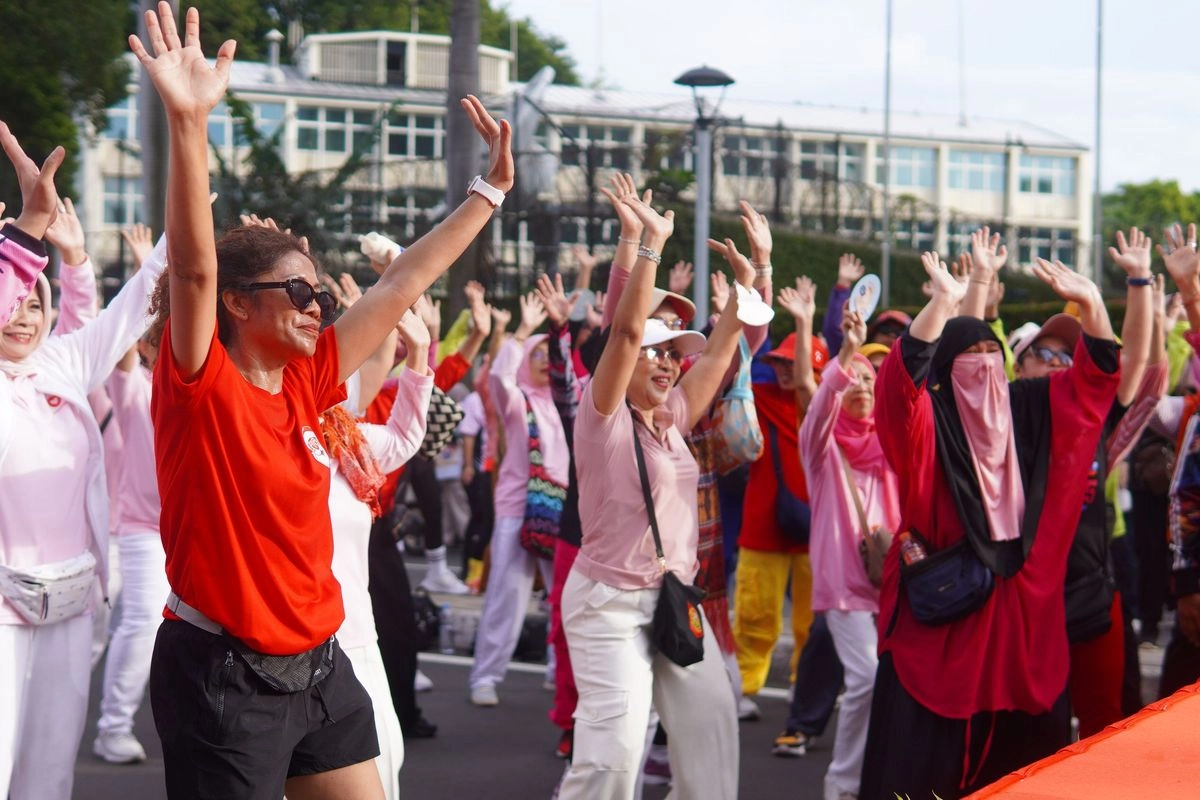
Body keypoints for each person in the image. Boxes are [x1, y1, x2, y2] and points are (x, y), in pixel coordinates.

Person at [129, 5, 512, 797]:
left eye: (318, 288)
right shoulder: (200, 382)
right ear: (238, 305)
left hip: (321, 667)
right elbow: (196, 270)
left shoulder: (310, 375)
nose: (316, 302)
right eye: (297, 288)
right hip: (223, 680)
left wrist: (489, 192)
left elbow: (403, 280)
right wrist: (190, 120)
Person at [861, 251, 1120, 798]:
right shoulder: (932, 421)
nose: (982, 365)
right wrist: (943, 303)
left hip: (1022, 633)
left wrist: (1094, 301)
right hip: (943, 634)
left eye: (991, 353)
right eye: (967, 356)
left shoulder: (1031, 408)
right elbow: (899, 387)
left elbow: (1097, 380)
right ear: (945, 372)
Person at [556, 192, 746, 800]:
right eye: (655, 353)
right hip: (608, 603)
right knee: (614, 759)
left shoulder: (673, 417)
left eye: (672, 355)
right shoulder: (602, 412)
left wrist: (751, 282)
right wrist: (651, 247)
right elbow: (629, 328)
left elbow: (717, 354)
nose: (666, 364)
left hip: (673, 597)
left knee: (714, 733)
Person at [0, 128, 162, 799]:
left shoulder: (62, 366)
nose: (24, 317)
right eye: (15, 302)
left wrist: (185, 198)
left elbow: (126, 314)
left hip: (68, 606)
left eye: (38, 305)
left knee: (48, 778)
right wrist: (31, 227)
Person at [325, 309, 433, 800]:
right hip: (289, 645)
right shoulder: (267, 431)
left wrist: (420, 358)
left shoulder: (347, 439)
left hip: (359, 636)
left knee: (388, 757)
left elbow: (408, 436)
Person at [799, 307, 901, 800]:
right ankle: (842, 784)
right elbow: (819, 406)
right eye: (853, 380)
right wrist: (842, 355)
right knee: (866, 678)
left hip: (897, 584)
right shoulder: (821, 447)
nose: (862, 387)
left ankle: (875, 778)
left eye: (869, 380)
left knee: (892, 686)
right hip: (845, 585)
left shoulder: (892, 445)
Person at [468, 291, 567, 707]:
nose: (544, 360)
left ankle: (556, 670)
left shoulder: (565, 400)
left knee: (563, 599)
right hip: (516, 509)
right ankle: (485, 677)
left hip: (560, 511)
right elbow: (496, 380)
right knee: (507, 596)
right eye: (536, 354)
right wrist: (522, 330)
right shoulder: (517, 399)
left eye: (549, 353)